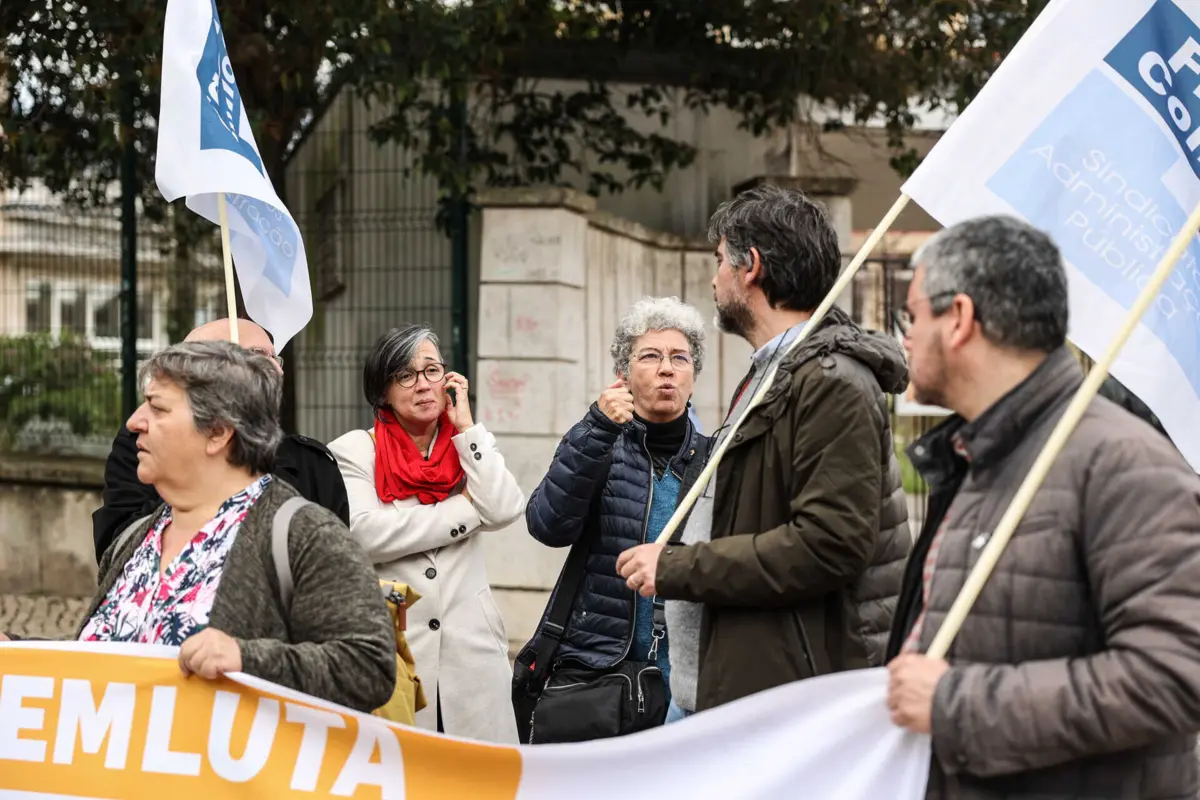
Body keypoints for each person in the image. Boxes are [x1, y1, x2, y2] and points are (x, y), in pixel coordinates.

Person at [884, 216, 1200, 799]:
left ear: (959, 319)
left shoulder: (1123, 464)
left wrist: (956, 705)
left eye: (912, 316)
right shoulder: (978, 455)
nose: (905, 337)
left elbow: (1176, 674)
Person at [617, 184, 912, 721]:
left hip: (785, 697)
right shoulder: (775, 371)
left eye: (718, 261)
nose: (713, 280)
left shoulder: (831, 381)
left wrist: (678, 567)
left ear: (749, 266)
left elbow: (828, 546)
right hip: (734, 686)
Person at [0, 341, 397, 713]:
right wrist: (17, 650)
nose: (134, 422)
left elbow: (369, 667)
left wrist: (246, 658)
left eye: (157, 408)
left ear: (217, 432)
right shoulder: (135, 539)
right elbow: (108, 662)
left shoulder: (303, 535)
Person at [518, 296, 712, 738]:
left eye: (680, 358)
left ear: (693, 376)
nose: (667, 369)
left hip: (684, 682)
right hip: (597, 675)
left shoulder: (713, 460)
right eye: (651, 356)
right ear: (623, 375)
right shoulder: (598, 442)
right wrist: (598, 428)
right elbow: (547, 525)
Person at [329, 325, 525, 743]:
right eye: (405, 375)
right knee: (402, 768)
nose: (422, 384)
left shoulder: (468, 445)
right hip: (398, 652)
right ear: (383, 392)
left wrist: (467, 426)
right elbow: (366, 535)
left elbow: (506, 507)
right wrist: (466, 510)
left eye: (432, 370)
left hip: (473, 657)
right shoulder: (356, 450)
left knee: (480, 773)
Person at [92, 318, 349, 564]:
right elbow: (116, 549)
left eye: (275, 357)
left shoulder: (311, 464)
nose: (278, 370)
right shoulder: (140, 445)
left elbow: (334, 568)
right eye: (259, 355)